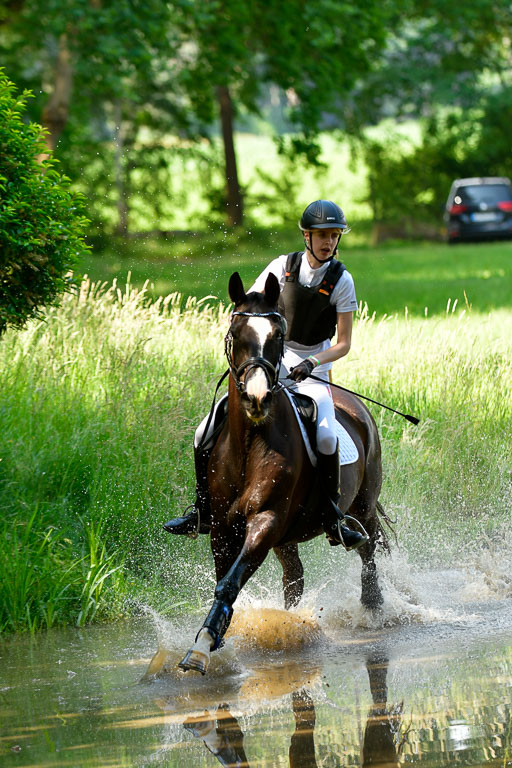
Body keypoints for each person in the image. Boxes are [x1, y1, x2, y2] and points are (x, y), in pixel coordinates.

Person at [164, 199, 367, 550]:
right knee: (203, 432)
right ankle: (201, 511)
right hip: (272, 359)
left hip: (315, 367)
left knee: (327, 439)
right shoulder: (281, 267)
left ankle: (334, 517)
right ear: (307, 236)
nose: (328, 242)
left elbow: (344, 343)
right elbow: (250, 307)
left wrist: (313, 363)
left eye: (334, 236)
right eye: (322, 235)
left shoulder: (342, 280)